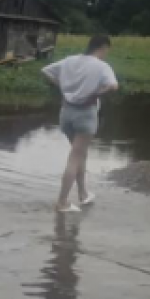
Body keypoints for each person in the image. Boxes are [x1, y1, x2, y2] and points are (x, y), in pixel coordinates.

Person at [42, 35, 118, 213]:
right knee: (75, 157)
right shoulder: (101, 66)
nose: (106, 54)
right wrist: (96, 93)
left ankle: (83, 193)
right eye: (107, 50)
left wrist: (61, 87)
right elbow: (113, 86)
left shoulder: (70, 60)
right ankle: (62, 202)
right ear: (103, 47)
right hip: (85, 113)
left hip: (66, 113)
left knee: (79, 154)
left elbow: (45, 70)